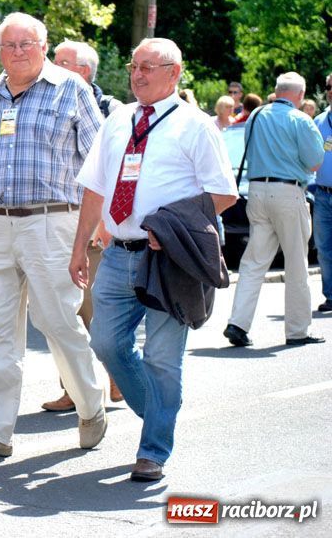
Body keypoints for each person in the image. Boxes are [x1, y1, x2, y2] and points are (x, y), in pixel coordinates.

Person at [70, 37, 237, 482]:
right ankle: (161, 415)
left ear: (174, 73)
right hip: (117, 253)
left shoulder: (195, 125)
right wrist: (79, 246)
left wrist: (172, 227)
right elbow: (96, 187)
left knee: (162, 358)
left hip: (170, 260)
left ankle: (153, 449)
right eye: (134, 66)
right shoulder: (118, 119)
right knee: (105, 344)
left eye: (148, 66)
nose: (138, 74)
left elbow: (223, 193)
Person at [0, 12, 106, 463]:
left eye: (26, 43)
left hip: (51, 221)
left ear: (44, 46)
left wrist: (94, 228)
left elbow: (99, 164)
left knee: (57, 320)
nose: (18, 51)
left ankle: (91, 405)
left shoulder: (71, 89)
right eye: (9, 45)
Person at [45, 40, 124, 412]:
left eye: (62, 62)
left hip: (91, 222)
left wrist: (104, 220)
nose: (53, 66)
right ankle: (72, 388)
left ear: (85, 71)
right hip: (52, 221)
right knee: (61, 310)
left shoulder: (112, 110)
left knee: (92, 306)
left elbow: (116, 170)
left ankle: (116, 374)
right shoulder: (45, 101)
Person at [223, 72, 325, 348]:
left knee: (253, 262)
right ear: (300, 95)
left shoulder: (255, 116)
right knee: (296, 263)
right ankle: (297, 330)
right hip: (288, 192)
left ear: (277, 91)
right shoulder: (300, 120)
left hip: (256, 191)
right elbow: (315, 161)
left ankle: (237, 323)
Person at [314, 89, 332, 313]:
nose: (331, 92)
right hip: (323, 194)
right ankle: (330, 296)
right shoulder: (319, 121)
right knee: (324, 249)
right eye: (329, 87)